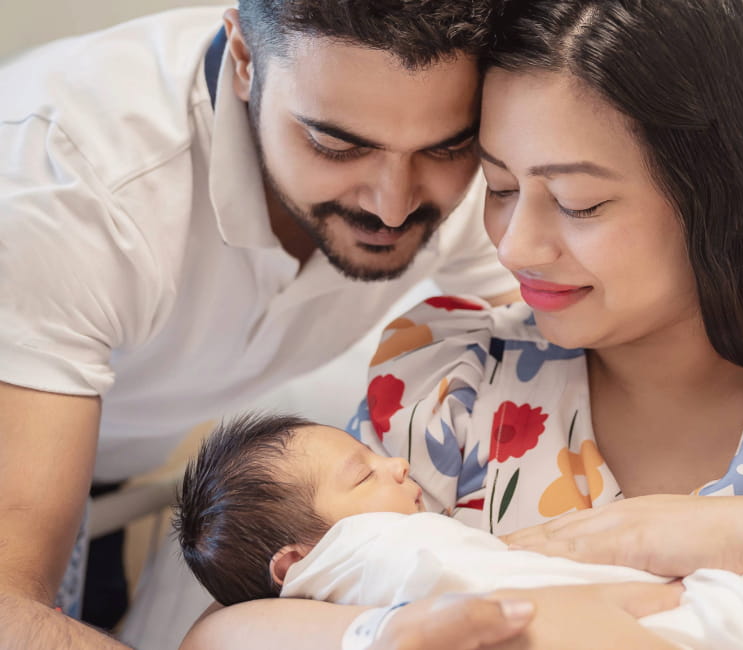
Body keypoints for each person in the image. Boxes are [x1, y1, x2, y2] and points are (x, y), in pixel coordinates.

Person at [189, 0, 743, 648]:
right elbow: (232, 631)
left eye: (579, 204)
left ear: (716, 196)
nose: (520, 243)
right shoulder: (452, 387)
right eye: (502, 188)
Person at [0, 0, 612, 646]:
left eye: (447, 146)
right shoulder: (75, 193)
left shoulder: (472, 172)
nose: (394, 205)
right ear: (242, 60)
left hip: (124, 455)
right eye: (336, 144)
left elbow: (592, 341)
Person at [174, 412, 743, 649]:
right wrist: (635, 596)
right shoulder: (373, 551)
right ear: (297, 563)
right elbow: (485, 591)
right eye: (364, 472)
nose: (396, 461)